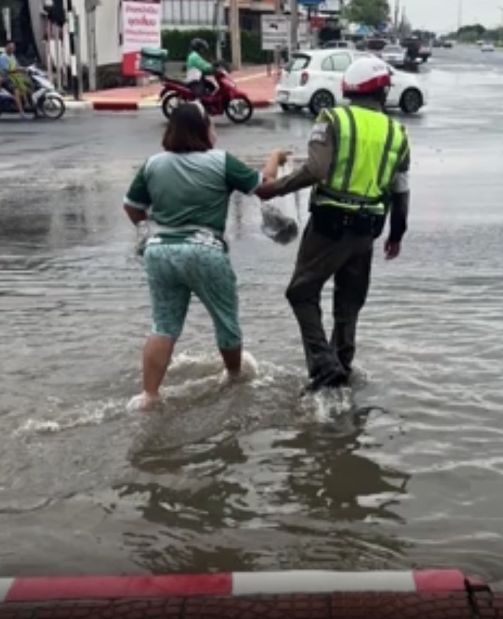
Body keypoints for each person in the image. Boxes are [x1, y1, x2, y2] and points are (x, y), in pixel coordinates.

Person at [256, 56, 411, 392]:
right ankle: (343, 369)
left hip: (330, 224)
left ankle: (324, 365)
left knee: (301, 292)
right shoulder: (397, 132)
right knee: (349, 302)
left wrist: (274, 188)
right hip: (368, 229)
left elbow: (315, 170)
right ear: (382, 93)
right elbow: (401, 190)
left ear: (349, 90)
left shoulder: (332, 118)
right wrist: (397, 233)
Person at [122, 102, 290, 411]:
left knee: (163, 325)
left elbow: (132, 208)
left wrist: (152, 227)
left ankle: (148, 396)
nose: (214, 131)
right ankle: (235, 379)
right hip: (204, 250)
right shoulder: (220, 162)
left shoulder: (152, 164)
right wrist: (275, 158)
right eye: (211, 125)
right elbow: (265, 189)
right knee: (225, 322)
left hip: (159, 251)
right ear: (202, 131)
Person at [0, 41, 28, 117]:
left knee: (27, 85)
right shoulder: (3, 57)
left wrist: (23, 68)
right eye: (11, 47)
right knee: (16, 91)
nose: (13, 49)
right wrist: (19, 70)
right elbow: (7, 70)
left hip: (15, 76)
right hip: (7, 77)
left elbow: (16, 65)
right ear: (6, 47)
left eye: (13, 47)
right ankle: (21, 112)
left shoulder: (12, 56)